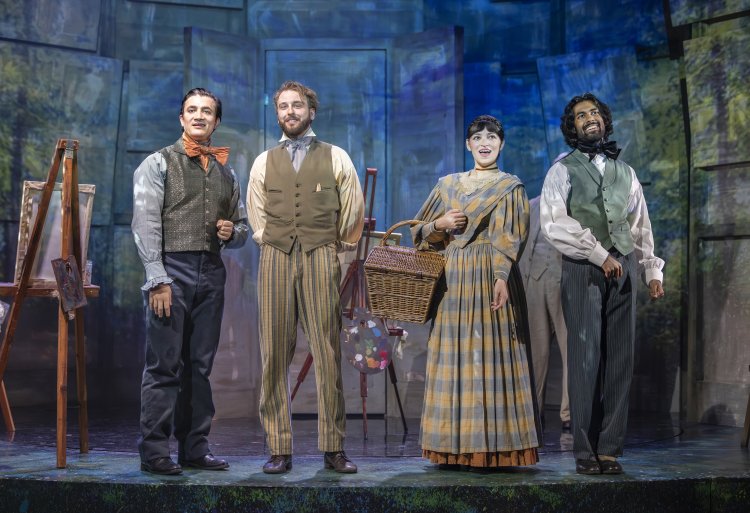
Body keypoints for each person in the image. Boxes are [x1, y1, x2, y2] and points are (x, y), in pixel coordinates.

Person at [540, 93, 665, 475]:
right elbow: (554, 223)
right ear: (572, 126)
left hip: (622, 266)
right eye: (581, 115)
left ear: (604, 121)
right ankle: (584, 449)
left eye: (594, 113)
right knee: (585, 359)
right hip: (584, 268)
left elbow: (639, 224)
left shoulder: (625, 171)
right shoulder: (561, 170)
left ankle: (609, 448)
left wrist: (651, 271)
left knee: (620, 359)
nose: (590, 118)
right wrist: (597, 254)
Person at [246, 80, 364, 474]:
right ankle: (279, 447)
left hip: (320, 255)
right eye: (283, 106)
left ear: (310, 111)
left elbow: (352, 209)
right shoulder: (264, 161)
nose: (290, 112)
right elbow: (257, 213)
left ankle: (333, 447)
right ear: (277, 113)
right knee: (274, 355)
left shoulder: (336, 156)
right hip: (276, 257)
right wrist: (272, 241)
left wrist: (334, 245)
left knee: (327, 353)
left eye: (297, 105)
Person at [132, 87, 249, 475]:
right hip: (171, 271)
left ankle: (195, 448)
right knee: (164, 365)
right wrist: (157, 278)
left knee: (199, 367)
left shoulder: (227, 173)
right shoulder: (158, 163)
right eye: (192, 110)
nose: (199, 115)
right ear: (181, 118)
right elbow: (145, 223)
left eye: (207, 111)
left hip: (211, 272)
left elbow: (243, 228)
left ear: (216, 121)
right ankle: (154, 451)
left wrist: (232, 232)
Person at [412, 114, 539, 470]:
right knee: (454, 357)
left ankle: (497, 448)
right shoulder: (447, 184)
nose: (485, 143)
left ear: (501, 144)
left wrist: (501, 277)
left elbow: (510, 238)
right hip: (453, 281)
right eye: (478, 137)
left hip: (491, 277)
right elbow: (419, 232)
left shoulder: (510, 187)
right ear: (468, 145)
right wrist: (440, 224)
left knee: (492, 355)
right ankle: (450, 447)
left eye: (492, 137)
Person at [518, 195, 571, 432]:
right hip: (534, 283)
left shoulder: (577, 204)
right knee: (536, 352)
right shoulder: (531, 206)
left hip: (565, 284)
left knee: (571, 350)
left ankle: (569, 413)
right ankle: (534, 410)